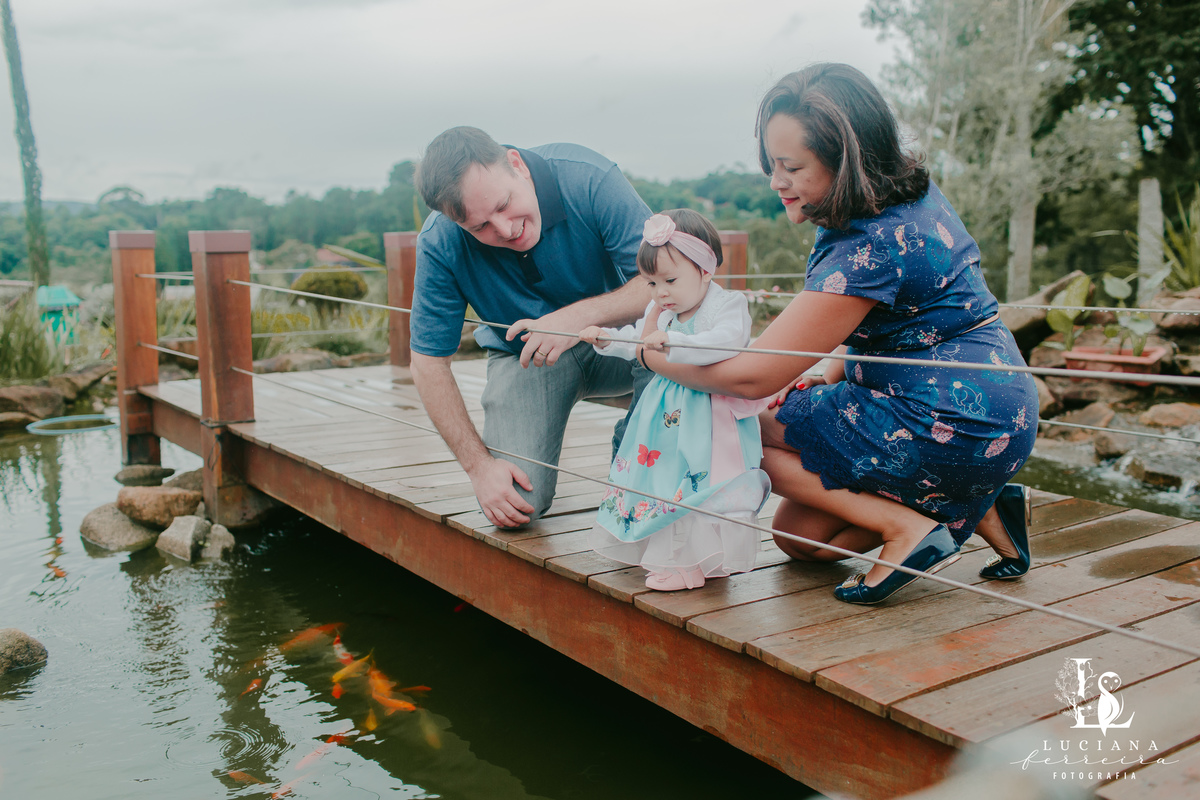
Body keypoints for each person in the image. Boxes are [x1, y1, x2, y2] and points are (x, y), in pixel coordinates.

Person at [638, 63, 1038, 605]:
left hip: (945, 416)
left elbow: (754, 378)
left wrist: (656, 359)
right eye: (770, 165)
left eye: (792, 166)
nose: (776, 181)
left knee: (736, 424)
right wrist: (828, 370)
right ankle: (975, 500)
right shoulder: (901, 195)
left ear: (846, 159)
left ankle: (912, 529)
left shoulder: (865, 246)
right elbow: (902, 316)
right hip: (1000, 406)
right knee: (800, 540)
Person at [410, 127, 652, 528]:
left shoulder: (589, 176)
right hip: (525, 359)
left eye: (504, 204)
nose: (506, 230)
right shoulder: (439, 241)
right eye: (480, 227)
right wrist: (479, 468)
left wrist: (572, 320)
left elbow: (658, 284)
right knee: (517, 503)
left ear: (517, 165)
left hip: (622, 343)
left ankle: (632, 453)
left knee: (684, 341)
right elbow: (428, 364)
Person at [579, 210, 771, 591]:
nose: (660, 292)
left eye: (669, 280)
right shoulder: (662, 311)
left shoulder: (727, 305)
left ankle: (695, 562)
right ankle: (673, 555)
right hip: (665, 414)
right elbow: (638, 339)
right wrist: (606, 339)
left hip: (706, 414)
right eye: (651, 283)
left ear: (705, 270)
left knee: (698, 479)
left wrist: (676, 343)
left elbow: (724, 342)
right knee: (664, 479)